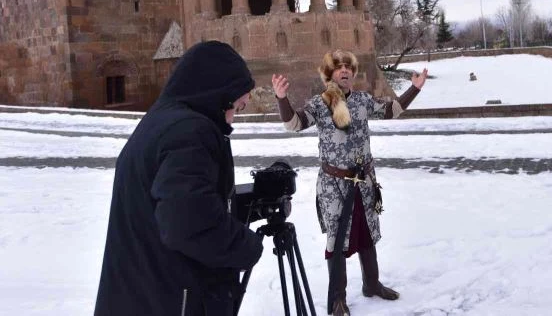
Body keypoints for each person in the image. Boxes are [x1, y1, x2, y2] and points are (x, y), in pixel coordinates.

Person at [95, 41, 264, 316]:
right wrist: (246, 247)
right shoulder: (190, 131)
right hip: (169, 298)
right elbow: (186, 224)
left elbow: (174, 200)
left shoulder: (164, 121)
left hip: (143, 294)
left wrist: (245, 203)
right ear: (219, 96)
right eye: (238, 106)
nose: (234, 118)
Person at [272, 49, 427, 316]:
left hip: (364, 181)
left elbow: (391, 111)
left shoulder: (363, 100)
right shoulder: (320, 103)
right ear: (329, 74)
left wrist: (415, 88)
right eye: (338, 67)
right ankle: (337, 299)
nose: (344, 70)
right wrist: (281, 98)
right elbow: (294, 124)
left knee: (367, 232)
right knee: (336, 240)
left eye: (348, 67)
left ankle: (371, 284)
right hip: (335, 185)